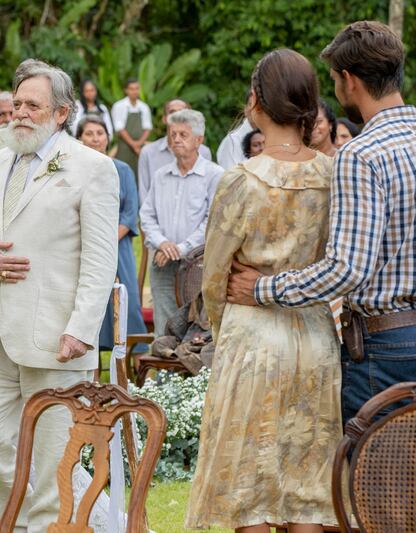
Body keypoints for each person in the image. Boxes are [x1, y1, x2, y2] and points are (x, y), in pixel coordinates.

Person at [226, 21, 416, 426]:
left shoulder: (361, 154)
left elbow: (347, 268)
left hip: (386, 345)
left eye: (333, 80)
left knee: (377, 478)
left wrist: (262, 288)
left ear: (349, 80)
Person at [186, 48, 341, 533]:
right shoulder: (333, 175)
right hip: (315, 337)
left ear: (256, 101)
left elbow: (215, 275)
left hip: (252, 339)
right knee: (308, 486)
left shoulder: (241, 180)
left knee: (247, 487)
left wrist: (221, 323)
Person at [0, 59, 119, 532]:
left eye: (33, 106)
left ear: (61, 113)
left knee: (55, 458)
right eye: (16, 105)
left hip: (56, 336)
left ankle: (50, 524)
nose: (21, 114)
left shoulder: (94, 168)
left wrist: (81, 329)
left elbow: (99, 258)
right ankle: (34, 523)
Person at [139, 109, 223, 337]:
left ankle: (195, 374)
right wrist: (163, 243)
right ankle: (164, 373)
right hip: (163, 260)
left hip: (198, 262)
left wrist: (180, 248)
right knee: (164, 325)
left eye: (183, 135)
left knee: (198, 326)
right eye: (172, 134)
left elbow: (212, 220)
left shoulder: (214, 175)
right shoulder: (161, 175)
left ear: (199, 140)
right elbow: (146, 215)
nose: (176, 139)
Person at [76, 114, 147, 351]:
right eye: (89, 133)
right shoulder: (74, 171)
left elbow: (130, 213)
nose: (95, 139)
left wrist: (105, 240)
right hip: (82, 247)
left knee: (127, 303)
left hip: (118, 247)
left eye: (100, 133)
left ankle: (135, 369)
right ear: (79, 139)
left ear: (108, 137)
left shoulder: (123, 169)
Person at [137, 98, 212, 204]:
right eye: (172, 112)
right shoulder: (148, 153)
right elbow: (144, 194)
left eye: (183, 112)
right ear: (164, 119)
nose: (178, 117)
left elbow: (207, 193)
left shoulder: (203, 152)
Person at [111, 78, 152, 175]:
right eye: (131, 89)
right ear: (126, 90)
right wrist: (134, 145)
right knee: (123, 172)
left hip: (140, 148)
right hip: (124, 146)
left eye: (137, 88)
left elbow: (148, 128)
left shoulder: (144, 107)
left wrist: (139, 144)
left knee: (140, 173)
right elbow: (119, 128)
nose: (134, 91)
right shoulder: (119, 106)